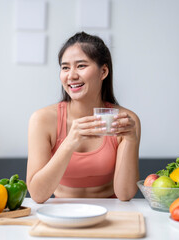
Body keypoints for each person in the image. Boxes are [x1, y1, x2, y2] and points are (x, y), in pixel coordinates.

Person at [27, 32, 141, 203]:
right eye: (65, 67)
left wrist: (131, 139)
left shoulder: (125, 120)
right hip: (61, 214)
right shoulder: (42, 120)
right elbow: (37, 194)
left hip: (110, 213)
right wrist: (70, 142)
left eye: (81, 66)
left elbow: (125, 194)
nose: (71, 75)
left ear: (103, 71)